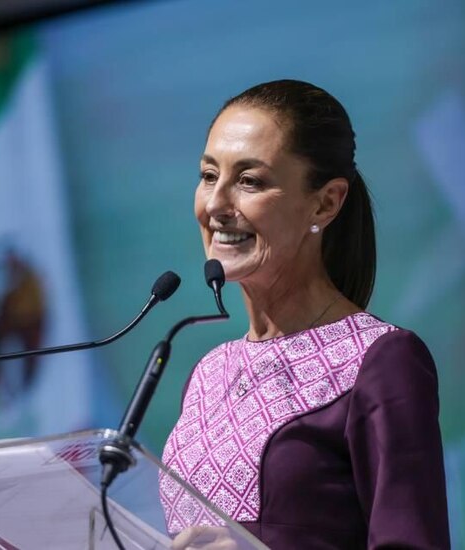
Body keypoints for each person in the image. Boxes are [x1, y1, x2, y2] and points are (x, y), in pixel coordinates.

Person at [159, 80, 450, 549]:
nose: (215, 204)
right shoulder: (208, 374)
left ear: (326, 201)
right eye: (209, 175)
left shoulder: (382, 360)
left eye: (249, 181)